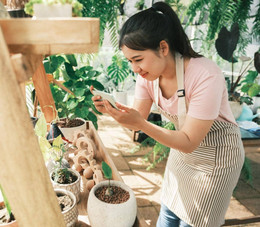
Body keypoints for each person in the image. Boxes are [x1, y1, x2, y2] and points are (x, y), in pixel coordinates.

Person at [91, 2, 244, 227]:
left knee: (194, 223)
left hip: (216, 162)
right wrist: (114, 112)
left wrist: (141, 124)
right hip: (181, 154)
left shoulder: (205, 74)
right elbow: (136, 122)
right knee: (168, 215)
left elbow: (189, 141)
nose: (135, 69)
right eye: (130, 61)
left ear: (163, 47)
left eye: (138, 59)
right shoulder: (147, 77)